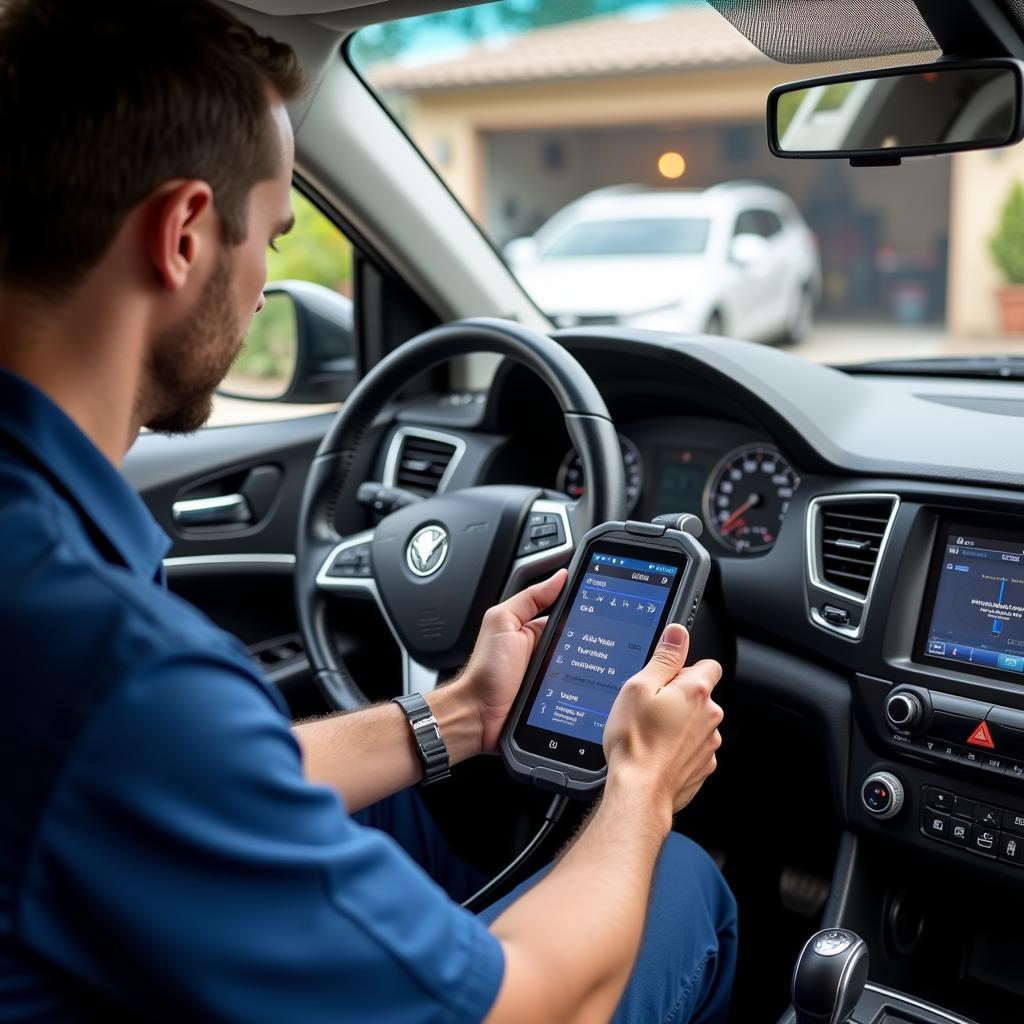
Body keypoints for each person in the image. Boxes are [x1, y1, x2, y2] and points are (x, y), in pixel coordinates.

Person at [0, 1, 736, 1021]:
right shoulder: (113, 666)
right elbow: (530, 1005)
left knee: (400, 815)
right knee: (683, 879)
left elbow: (193, 776)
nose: (263, 287)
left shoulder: (48, 572)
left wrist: (461, 715)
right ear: (179, 236)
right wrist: (642, 786)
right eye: (269, 235)